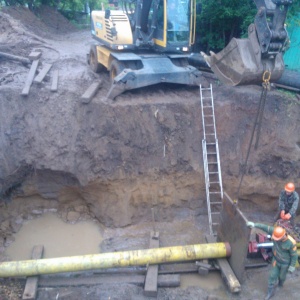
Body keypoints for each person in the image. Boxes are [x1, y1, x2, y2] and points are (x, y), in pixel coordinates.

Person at [247, 222, 298, 300]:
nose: (275, 239)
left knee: (282, 276)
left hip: (285, 264)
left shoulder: (291, 243)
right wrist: (254, 225)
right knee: (272, 276)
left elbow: (294, 255)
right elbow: (265, 226)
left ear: (283, 235)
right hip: (276, 261)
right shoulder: (275, 232)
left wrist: (292, 266)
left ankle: (280, 284)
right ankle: (269, 293)